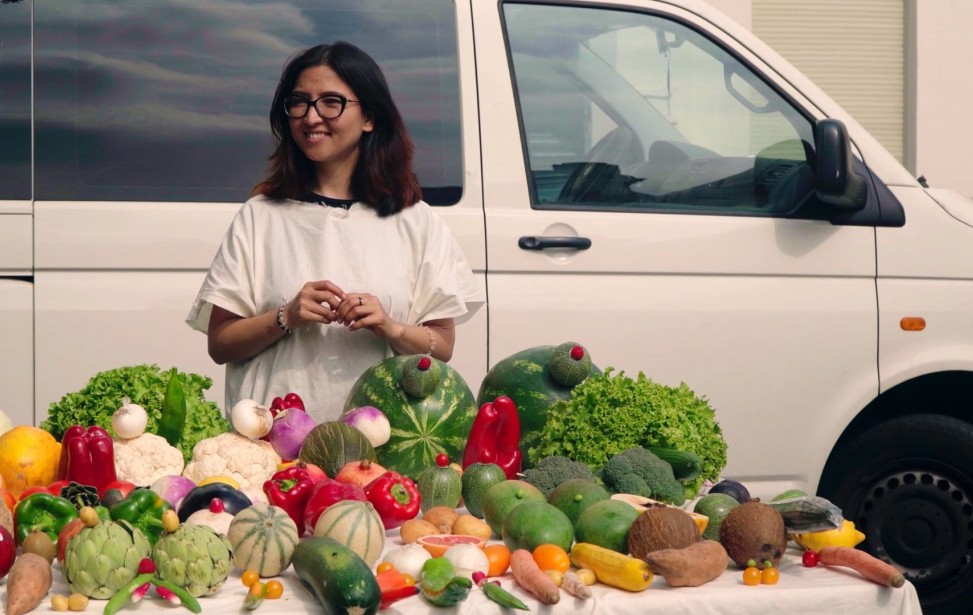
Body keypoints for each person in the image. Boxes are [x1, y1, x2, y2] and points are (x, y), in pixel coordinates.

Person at [187, 41, 483, 422]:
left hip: (379, 443)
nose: (311, 117)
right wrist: (286, 316)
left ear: (369, 118)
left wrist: (390, 327)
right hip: (273, 445)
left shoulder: (417, 222)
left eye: (331, 102)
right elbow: (220, 344)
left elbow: (441, 346)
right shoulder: (260, 216)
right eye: (299, 102)